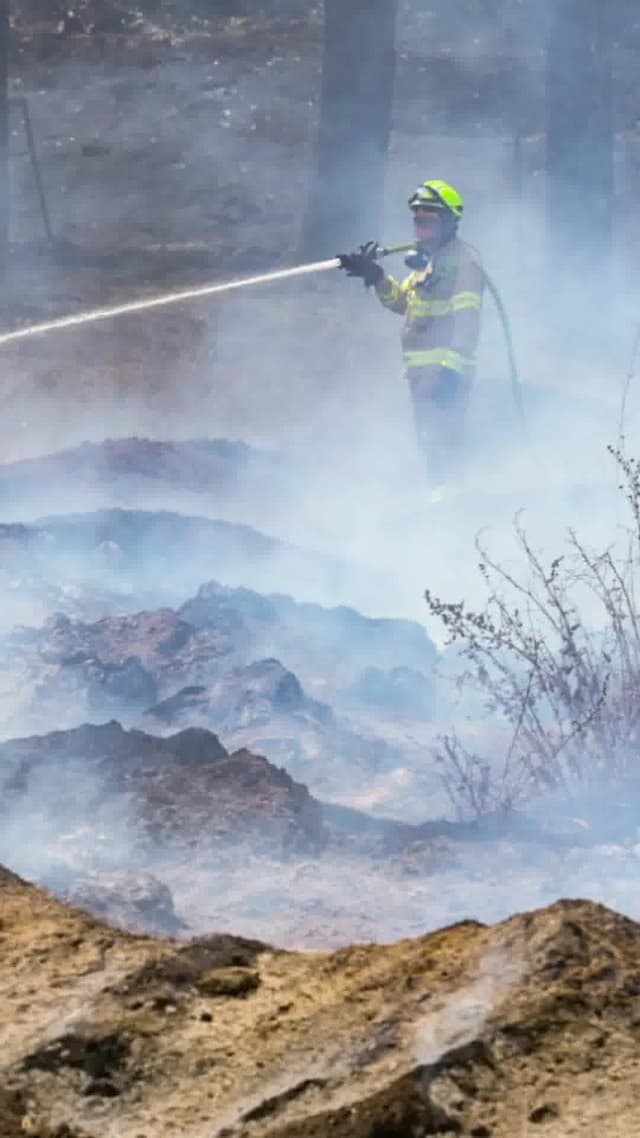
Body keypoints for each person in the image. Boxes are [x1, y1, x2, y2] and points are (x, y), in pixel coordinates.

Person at [338, 180, 484, 494]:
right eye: (417, 222)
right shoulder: (428, 262)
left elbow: (468, 321)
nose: (420, 230)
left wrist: (452, 370)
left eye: (428, 222)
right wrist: (376, 276)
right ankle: (440, 497)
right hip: (421, 373)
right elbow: (402, 303)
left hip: (444, 373)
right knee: (428, 439)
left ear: (449, 223)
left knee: (444, 439)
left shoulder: (464, 263)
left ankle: (453, 502)